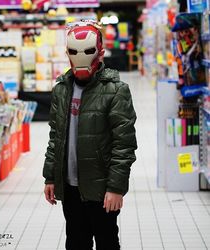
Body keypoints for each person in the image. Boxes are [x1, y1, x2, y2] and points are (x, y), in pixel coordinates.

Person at [43, 21, 137, 250]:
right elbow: (56, 136)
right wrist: (50, 176)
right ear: (67, 53)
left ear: (101, 53)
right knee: (75, 241)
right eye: (74, 52)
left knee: (106, 241)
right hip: (70, 187)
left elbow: (124, 144)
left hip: (101, 188)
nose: (80, 58)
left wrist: (115, 187)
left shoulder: (116, 90)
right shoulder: (61, 89)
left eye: (87, 51)